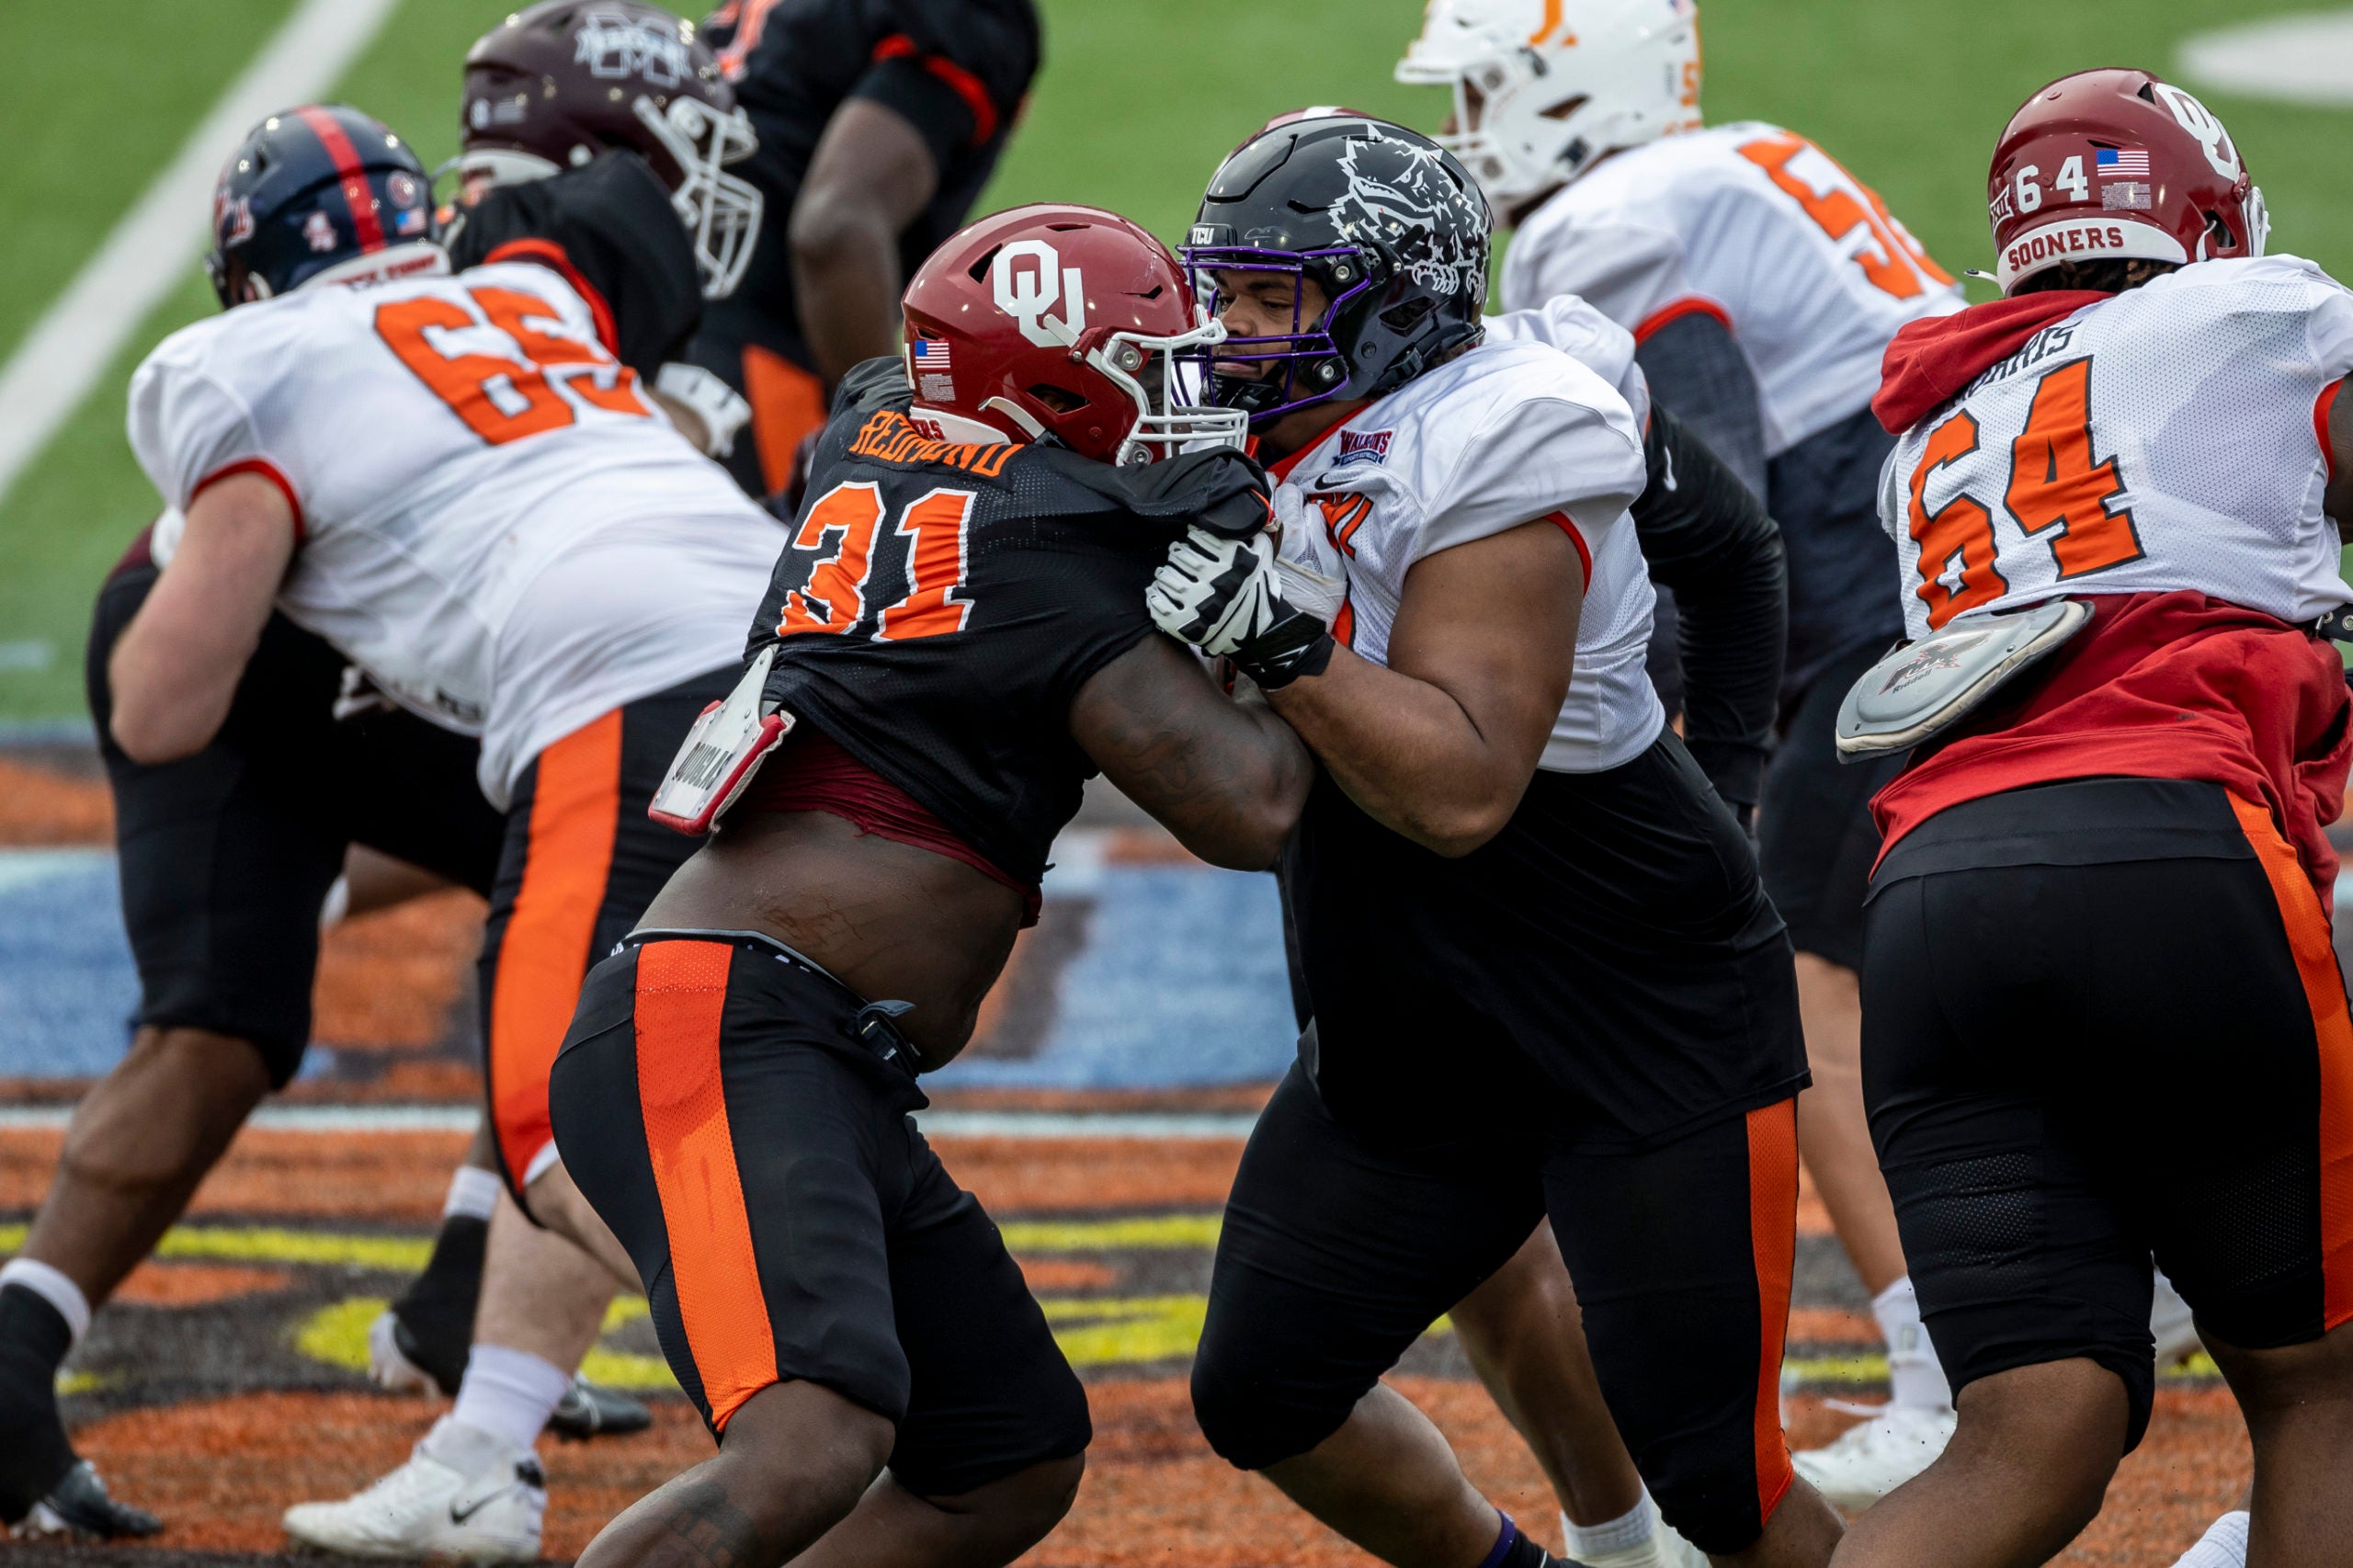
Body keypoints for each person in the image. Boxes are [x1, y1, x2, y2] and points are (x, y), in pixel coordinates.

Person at [542, 203, 1312, 1568]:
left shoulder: (883, 436)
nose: (1181, 398)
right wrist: (1285, 634)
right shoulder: (1045, 571)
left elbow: (907, 403)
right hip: (730, 1025)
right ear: (1052, 393)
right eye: (1145, 368)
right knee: (808, 1442)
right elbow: (1254, 806)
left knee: (1002, 1454)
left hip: (786, 1034)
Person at [85, 103, 786, 1559]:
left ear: (247, 271)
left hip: (625, 677)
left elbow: (163, 705)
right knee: (681, 1065)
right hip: (794, 629)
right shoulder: (522, 290)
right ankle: (482, 1458)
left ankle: (852, 1359)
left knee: (556, 1120)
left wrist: (193, 562)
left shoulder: (244, 364)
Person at [1156, 115, 1841, 1568]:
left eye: (1274, 299)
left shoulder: (1512, 417)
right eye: (1223, 292)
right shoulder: (1254, 424)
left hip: (1624, 984)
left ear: (1394, 296)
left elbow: (1462, 785)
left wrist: (1270, 635)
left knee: (1720, 1472)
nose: (1229, 334)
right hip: (1407, 993)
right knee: (1265, 1386)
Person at [1392, 0, 2031, 1509]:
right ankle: (2127, 1268)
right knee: (1959, 942)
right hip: (1988, 560)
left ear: (1568, 83)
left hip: (1900, 598)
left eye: (1491, 82)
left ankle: (1942, 1368)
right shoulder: (1734, 159)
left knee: (1791, 971)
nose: (1470, 117)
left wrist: (1671, 724)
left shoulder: (1614, 217)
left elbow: (1713, 489)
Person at [1836, 68, 2353, 1567]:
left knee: (2029, 1431)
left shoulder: (1932, 435)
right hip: (2178, 856)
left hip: (1934, 904)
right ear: (2210, 217)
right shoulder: (2256, 315)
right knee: (2322, 1389)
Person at [682, 0, 1040, 496]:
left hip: (637, 358)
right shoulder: (957, 16)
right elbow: (834, 228)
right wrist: (888, 434)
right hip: (760, 377)